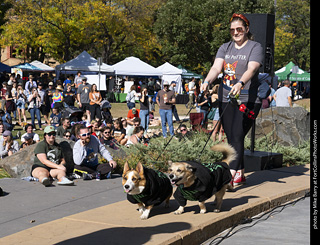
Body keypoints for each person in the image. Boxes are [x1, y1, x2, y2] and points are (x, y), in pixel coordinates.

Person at [201, 13, 264, 186]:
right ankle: (241, 174)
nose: (236, 33)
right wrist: (207, 81)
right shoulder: (225, 47)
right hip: (226, 96)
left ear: (246, 29)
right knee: (232, 137)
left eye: (239, 29)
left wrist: (241, 83)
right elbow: (216, 67)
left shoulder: (254, 47)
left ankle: (229, 176)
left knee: (237, 133)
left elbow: (252, 68)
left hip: (247, 98)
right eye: (232, 30)